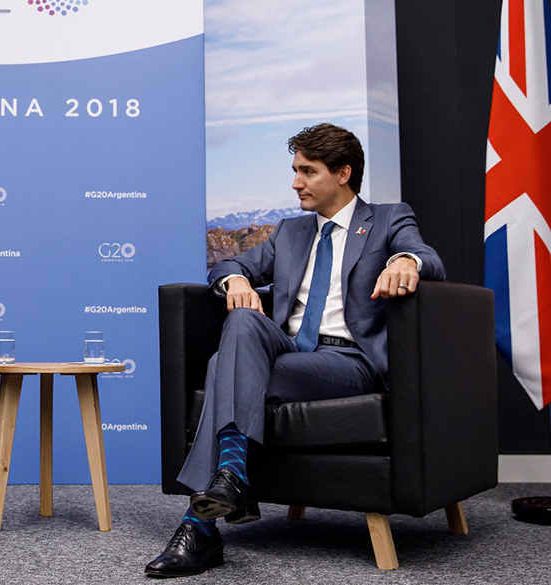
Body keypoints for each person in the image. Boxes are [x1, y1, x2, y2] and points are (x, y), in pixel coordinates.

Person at [145, 123, 446, 577]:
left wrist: (405, 261)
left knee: (219, 365)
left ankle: (201, 526)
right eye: (294, 170)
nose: (295, 183)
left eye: (307, 171)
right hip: (287, 347)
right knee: (243, 318)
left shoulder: (387, 218)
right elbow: (229, 263)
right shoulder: (290, 231)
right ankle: (231, 480)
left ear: (343, 173)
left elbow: (427, 255)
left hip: (347, 360)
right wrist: (238, 279)